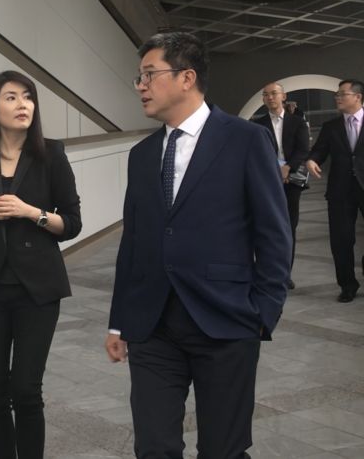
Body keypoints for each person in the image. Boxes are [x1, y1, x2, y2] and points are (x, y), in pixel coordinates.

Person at [105, 32, 290, 458]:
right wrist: (119, 321)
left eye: (149, 75)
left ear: (187, 77)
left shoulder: (245, 139)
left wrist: (264, 312)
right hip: (153, 327)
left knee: (223, 450)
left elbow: (274, 233)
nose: (141, 86)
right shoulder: (142, 154)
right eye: (139, 77)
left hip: (226, 321)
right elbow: (133, 242)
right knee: (153, 447)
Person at [0, 71, 82, 459]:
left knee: (26, 389)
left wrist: (30, 212)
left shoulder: (50, 154)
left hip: (37, 290)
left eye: (27, 97)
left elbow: (71, 223)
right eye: (11, 97)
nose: (23, 104)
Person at [306, 79, 364, 302]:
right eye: (337, 94)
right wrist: (311, 160)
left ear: (357, 97)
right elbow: (318, 151)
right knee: (341, 240)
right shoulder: (331, 127)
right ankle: (347, 285)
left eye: (342, 94)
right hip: (340, 191)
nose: (337, 97)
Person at [253, 82, 310, 288]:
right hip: (268, 182)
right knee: (267, 227)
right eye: (266, 94)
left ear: (283, 96)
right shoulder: (258, 125)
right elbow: (257, 153)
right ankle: (268, 272)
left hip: (292, 182)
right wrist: (275, 171)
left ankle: (285, 274)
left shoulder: (298, 122)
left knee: (288, 228)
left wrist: (287, 168)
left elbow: (304, 149)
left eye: (274, 94)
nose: (270, 98)